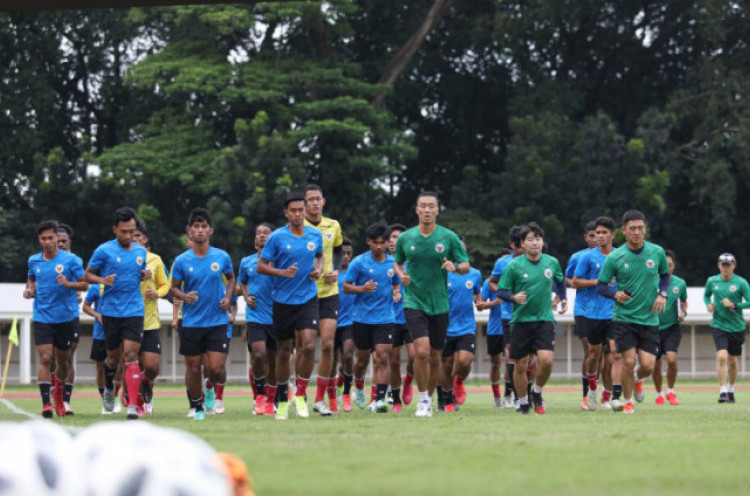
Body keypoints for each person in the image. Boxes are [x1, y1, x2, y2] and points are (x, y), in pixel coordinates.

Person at [393, 191, 470, 418]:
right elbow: (397, 262)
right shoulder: (406, 238)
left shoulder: (448, 237)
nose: (427, 210)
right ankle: (423, 400)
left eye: (431, 206)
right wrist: (401, 275)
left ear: (437, 210)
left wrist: (454, 267)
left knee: (436, 356)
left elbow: (465, 264)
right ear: (416, 210)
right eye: (423, 206)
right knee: (422, 351)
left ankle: (431, 396)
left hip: (439, 304)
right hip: (414, 301)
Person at [257, 192, 324, 420]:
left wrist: (318, 269)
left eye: (300, 210)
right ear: (286, 213)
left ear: (305, 211)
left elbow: (319, 256)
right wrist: (281, 272)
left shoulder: (315, 235)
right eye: (293, 210)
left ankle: (302, 395)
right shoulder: (276, 237)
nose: (297, 214)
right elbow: (261, 266)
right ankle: (283, 398)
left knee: (308, 346)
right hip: (283, 301)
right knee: (283, 352)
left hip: (308, 298)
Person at [596, 209, 669, 414]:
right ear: (623, 231)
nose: (637, 232)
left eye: (640, 228)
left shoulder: (657, 252)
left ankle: (638, 380)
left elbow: (665, 277)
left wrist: (662, 294)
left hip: (649, 318)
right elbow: (601, 286)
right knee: (628, 361)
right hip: (624, 318)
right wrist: (615, 295)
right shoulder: (615, 257)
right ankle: (628, 402)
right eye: (632, 229)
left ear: (646, 229)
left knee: (647, 365)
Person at [84, 207, 150, 420]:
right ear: (115, 229)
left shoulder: (141, 252)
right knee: (111, 359)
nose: (128, 236)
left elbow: (137, 274)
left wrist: (144, 274)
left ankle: (131, 404)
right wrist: (101, 280)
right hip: (110, 312)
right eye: (124, 231)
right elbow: (87, 275)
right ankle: (110, 387)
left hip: (134, 310)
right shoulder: (103, 251)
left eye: (131, 231)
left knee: (130, 355)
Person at [171, 208, 235, 421]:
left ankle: (210, 387)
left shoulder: (221, 256)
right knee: (193, 366)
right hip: (191, 322)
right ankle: (196, 406)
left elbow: (231, 278)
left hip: (217, 320)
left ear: (210, 230)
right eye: (196, 227)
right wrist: (184, 295)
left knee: (215, 368)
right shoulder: (181, 261)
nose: (200, 230)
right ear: (189, 231)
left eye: (204, 227)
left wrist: (227, 297)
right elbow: (174, 288)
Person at [497, 222, 567, 415]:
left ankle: (537, 392)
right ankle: (523, 401)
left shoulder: (551, 262)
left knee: (547, 361)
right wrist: (513, 298)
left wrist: (563, 298)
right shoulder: (513, 266)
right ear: (522, 244)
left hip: (544, 319)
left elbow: (560, 282)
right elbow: (501, 291)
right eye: (530, 239)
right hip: (520, 322)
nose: (535, 243)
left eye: (538, 238)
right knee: (520, 364)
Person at [23, 220, 87, 418]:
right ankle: (45, 404)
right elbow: (32, 281)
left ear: (57, 238)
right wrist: (29, 290)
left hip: (66, 317)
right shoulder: (33, 261)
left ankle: (59, 393)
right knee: (45, 358)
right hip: (43, 316)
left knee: (64, 361)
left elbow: (84, 284)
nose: (48, 242)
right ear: (39, 240)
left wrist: (69, 284)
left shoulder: (71, 260)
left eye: (51, 238)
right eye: (44, 238)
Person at [344, 221, 400, 413]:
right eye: (375, 242)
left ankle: (379, 400)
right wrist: (362, 288)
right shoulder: (358, 263)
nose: (379, 246)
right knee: (361, 361)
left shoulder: (393, 263)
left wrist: (396, 291)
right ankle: (358, 386)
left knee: (384, 357)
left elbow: (396, 282)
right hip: (361, 319)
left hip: (385, 318)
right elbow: (346, 286)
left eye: (383, 242)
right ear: (368, 241)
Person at [304, 184, 344, 416]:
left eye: (318, 198)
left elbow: (338, 251)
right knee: (305, 347)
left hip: (329, 293)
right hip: (304, 294)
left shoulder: (334, 225)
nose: (315, 203)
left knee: (328, 344)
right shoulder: (299, 227)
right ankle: (298, 392)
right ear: (305, 204)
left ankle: (320, 399)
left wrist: (336, 270)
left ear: (323, 201)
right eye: (310, 200)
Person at [571, 216, 618, 411]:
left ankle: (609, 397)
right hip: (592, 313)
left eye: (603, 232)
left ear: (612, 235)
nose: (599, 236)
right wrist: (598, 282)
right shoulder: (586, 257)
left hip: (615, 313)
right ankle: (591, 390)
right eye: (597, 233)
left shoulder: (620, 255)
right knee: (593, 355)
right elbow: (575, 281)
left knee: (614, 355)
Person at [238, 222, 277, 416]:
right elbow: (242, 283)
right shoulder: (246, 262)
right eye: (258, 233)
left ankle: (273, 397)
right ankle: (260, 396)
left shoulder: (280, 262)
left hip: (277, 318)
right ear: (255, 240)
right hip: (255, 316)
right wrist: (246, 296)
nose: (262, 235)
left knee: (273, 360)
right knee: (259, 355)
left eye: (266, 233)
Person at [439, 237, 482, 412]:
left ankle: (458, 382)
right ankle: (447, 399)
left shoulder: (475, 274)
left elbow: (477, 295)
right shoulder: (441, 273)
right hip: (444, 327)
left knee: (464, 361)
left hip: (466, 326)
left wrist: (480, 302)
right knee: (447, 364)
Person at [133, 221, 170, 415]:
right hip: (128, 318)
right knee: (132, 363)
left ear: (145, 239)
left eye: (138, 235)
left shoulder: (155, 260)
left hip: (150, 320)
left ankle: (147, 383)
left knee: (151, 366)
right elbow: (107, 285)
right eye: (131, 235)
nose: (135, 239)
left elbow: (165, 285)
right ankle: (136, 403)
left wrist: (157, 293)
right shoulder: (119, 259)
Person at [703, 253, 750, 404]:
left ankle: (731, 388)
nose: (725, 268)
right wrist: (708, 304)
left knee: (733, 361)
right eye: (723, 265)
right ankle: (722, 391)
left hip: (736, 326)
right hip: (719, 325)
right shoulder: (712, 281)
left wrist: (734, 305)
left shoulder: (741, 282)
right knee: (722, 357)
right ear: (719, 266)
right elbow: (706, 296)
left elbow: (749, 301)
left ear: (734, 266)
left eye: (728, 265)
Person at [488, 226, 523, 407]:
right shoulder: (502, 263)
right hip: (508, 314)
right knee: (511, 355)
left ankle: (528, 392)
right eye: (518, 245)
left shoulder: (537, 261)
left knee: (530, 359)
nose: (521, 248)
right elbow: (493, 284)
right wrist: (505, 295)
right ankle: (514, 395)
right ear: (511, 244)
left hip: (531, 315)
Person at [565, 221, 597, 410]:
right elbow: (569, 278)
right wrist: (582, 283)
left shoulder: (614, 254)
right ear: (586, 237)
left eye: (599, 234)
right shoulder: (578, 257)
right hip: (584, 309)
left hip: (609, 310)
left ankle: (608, 394)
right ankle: (587, 394)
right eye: (592, 235)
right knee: (590, 351)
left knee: (607, 356)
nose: (596, 239)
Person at [53, 222, 83, 415]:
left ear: (69, 242)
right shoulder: (45, 261)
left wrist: (75, 291)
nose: (61, 244)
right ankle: (53, 390)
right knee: (51, 358)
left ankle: (65, 399)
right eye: (58, 241)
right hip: (50, 317)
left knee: (68, 357)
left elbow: (83, 283)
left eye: (64, 241)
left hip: (71, 315)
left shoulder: (74, 261)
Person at [386, 223, 415, 412]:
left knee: (415, 356)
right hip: (391, 319)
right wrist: (391, 291)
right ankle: (395, 398)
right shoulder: (384, 263)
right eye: (390, 238)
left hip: (412, 317)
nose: (393, 241)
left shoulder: (414, 262)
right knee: (394, 361)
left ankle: (409, 380)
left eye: (397, 237)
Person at [653, 249, 687, 406]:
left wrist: (683, 312)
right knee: (655, 363)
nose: (667, 268)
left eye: (670, 265)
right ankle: (659, 393)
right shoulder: (652, 281)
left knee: (672, 359)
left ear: (674, 266)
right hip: (653, 327)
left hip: (672, 327)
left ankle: (671, 391)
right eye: (664, 265)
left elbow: (683, 301)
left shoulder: (680, 283)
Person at [478, 252, 507, 408]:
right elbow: (480, 306)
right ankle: (497, 398)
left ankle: (510, 395)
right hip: (495, 328)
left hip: (513, 324)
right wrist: (495, 302)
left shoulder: (516, 278)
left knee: (511, 361)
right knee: (496, 363)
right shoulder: (489, 283)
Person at [82, 283, 114, 414]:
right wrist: (97, 315)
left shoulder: (121, 283)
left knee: (117, 364)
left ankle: (114, 395)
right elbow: (85, 306)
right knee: (100, 366)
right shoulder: (95, 287)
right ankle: (104, 398)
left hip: (118, 330)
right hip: (100, 333)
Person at [334, 237, 355, 412]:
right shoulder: (330, 273)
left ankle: (347, 392)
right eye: (343, 253)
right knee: (333, 361)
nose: (346, 257)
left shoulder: (355, 273)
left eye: (349, 253)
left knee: (348, 355)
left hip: (350, 322)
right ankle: (332, 395)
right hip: (331, 321)